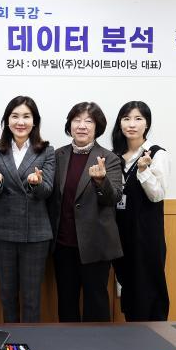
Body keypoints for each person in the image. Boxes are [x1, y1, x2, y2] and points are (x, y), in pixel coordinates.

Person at [48, 102, 123, 322]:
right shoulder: (58, 155)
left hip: (96, 244)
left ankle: (98, 344)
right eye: (77, 120)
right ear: (69, 125)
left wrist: (101, 181)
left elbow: (114, 197)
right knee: (66, 303)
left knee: (96, 303)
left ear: (97, 127)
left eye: (88, 121)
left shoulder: (109, 158)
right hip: (63, 244)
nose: (82, 126)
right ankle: (68, 344)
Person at [0, 96, 54, 323]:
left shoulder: (46, 150)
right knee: (7, 295)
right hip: (3, 230)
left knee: (31, 297)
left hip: (35, 232)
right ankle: (11, 340)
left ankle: (31, 341)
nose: (20, 122)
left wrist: (36, 183)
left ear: (35, 121)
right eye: (15, 116)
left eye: (26, 116)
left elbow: (47, 190)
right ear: (7, 120)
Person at [111, 101, 171, 321]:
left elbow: (157, 195)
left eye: (138, 119)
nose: (132, 124)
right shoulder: (115, 155)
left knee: (149, 286)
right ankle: (133, 333)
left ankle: (154, 334)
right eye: (126, 119)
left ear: (147, 124)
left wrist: (143, 170)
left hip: (146, 234)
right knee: (128, 285)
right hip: (121, 232)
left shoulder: (157, 154)